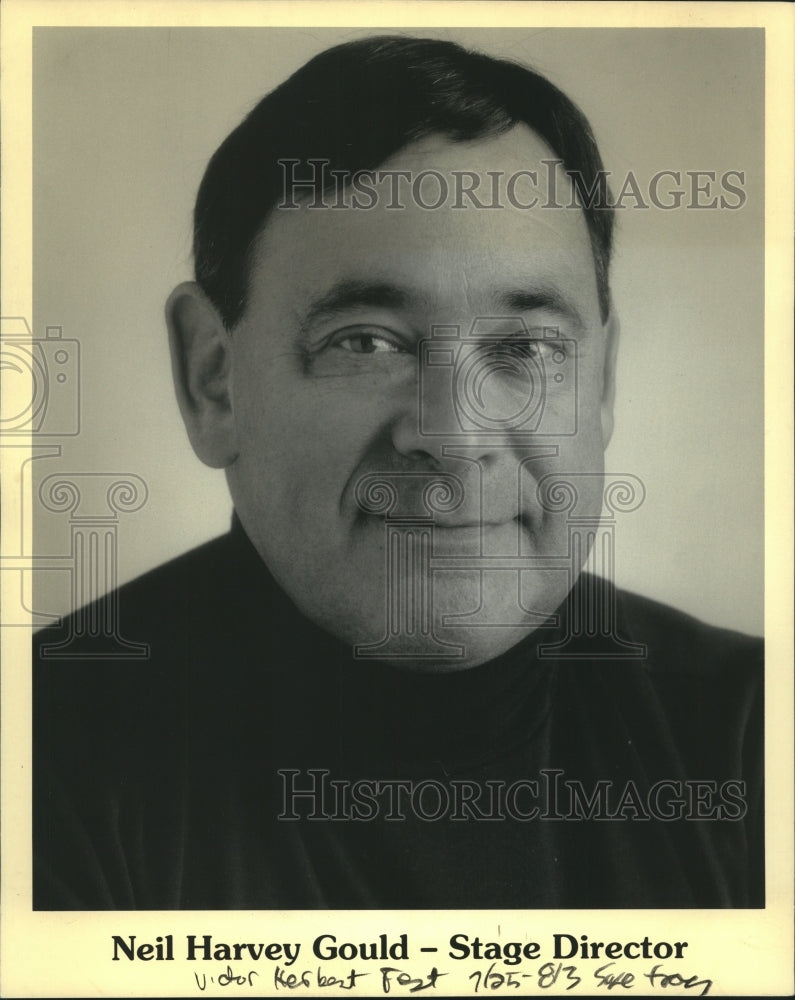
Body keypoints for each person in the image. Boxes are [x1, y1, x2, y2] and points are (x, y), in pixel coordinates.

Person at [33, 35, 763, 910]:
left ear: (599, 383)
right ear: (213, 380)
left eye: (525, 347)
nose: (455, 435)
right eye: (366, 341)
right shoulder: (37, 761)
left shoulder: (752, 733)